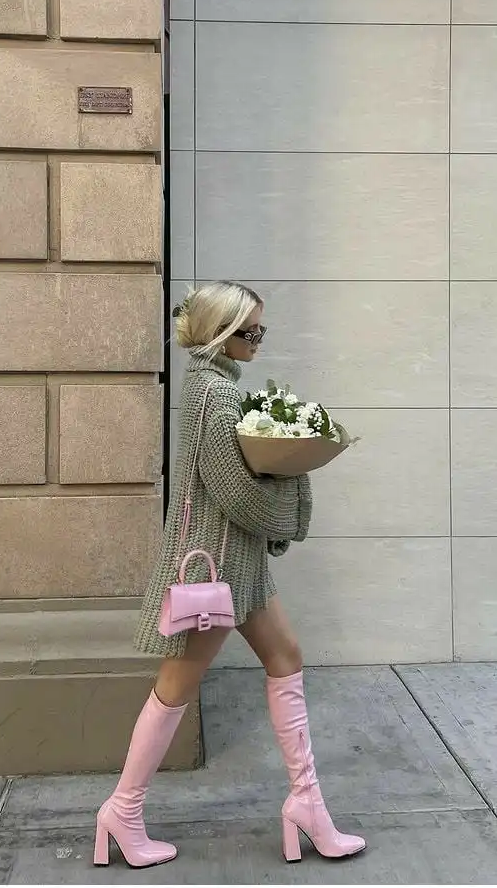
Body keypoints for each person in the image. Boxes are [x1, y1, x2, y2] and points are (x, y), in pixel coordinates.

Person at [93, 280, 366, 868]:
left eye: (261, 330)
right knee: (175, 690)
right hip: (214, 569)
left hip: (237, 566)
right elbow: (235, 493)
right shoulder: (211, 396)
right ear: (221, 333)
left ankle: (307, 805)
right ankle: (123, 810)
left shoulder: (217, 388)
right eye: (251, 332)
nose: (258, 342)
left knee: (286, 658)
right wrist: (294, 484)